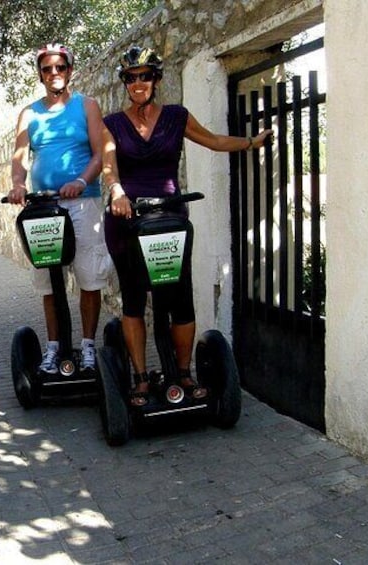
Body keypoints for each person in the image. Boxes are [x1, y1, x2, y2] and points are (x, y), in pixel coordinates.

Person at [101, 45, 272, 407]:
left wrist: (251, 143)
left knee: (179, 297)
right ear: (125, 84)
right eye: (131, 78)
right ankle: (142, 378)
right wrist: (117, 191)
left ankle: (182, 372)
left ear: (156, 79)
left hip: (169, 217)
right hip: (127, 219)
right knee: (133, 297)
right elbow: (109, 165)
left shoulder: (177, 116)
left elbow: (211, 140)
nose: (138, 83)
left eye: (145, 76)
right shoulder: (112, 124)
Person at [7, 43, 110, 375]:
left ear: (70, 71)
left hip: (83, 202)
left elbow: (100, 153)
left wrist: (81, 180)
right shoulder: (29, 114)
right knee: (49, 281)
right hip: (45, 207)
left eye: (60, 68)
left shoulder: (87, 106)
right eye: (48, 69)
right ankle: (53, 348)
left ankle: (89, 345)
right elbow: (20, 156)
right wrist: (19, 184)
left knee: (88, 278)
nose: (54, 73)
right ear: (40, 74)